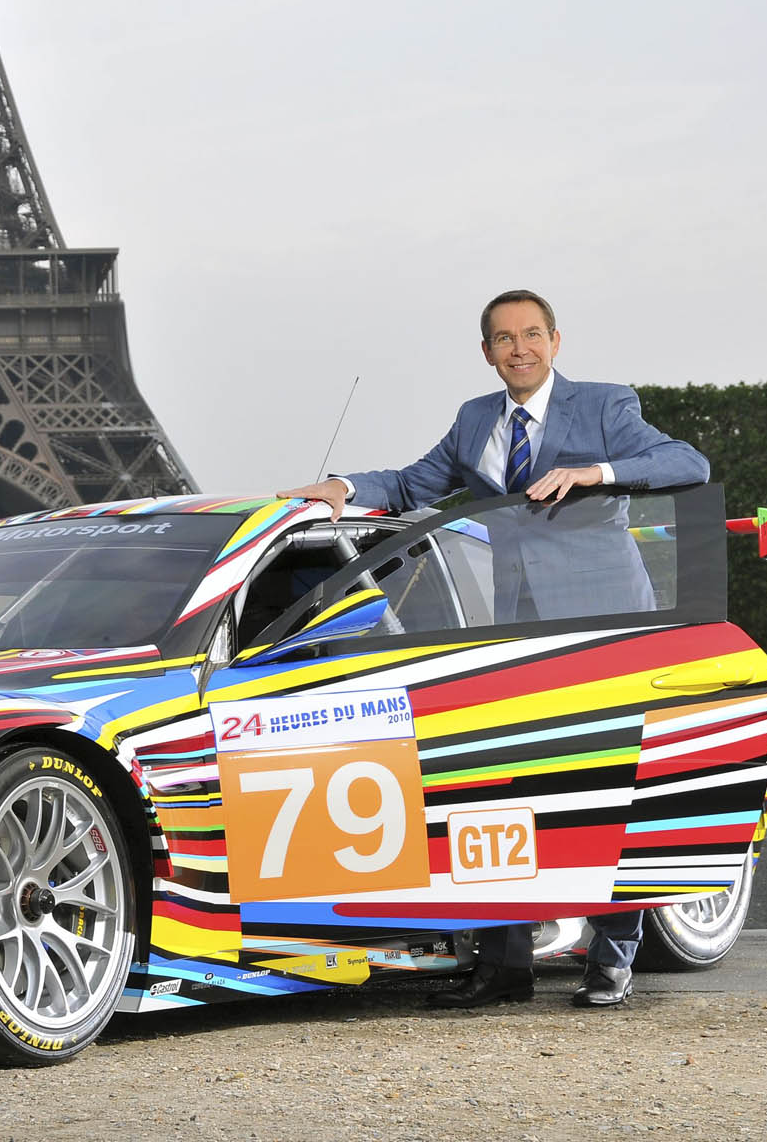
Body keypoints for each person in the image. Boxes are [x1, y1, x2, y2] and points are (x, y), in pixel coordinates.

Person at [277, 289, 709, 1009]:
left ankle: (613, 956)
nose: (520, 348)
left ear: (556, 342)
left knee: (605, 787)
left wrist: (595, 473)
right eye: (505, 338)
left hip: (600, 629)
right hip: (511, 634)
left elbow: (686, 462)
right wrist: (341, 487)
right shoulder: (476, 418)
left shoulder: (605, 405)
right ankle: (506, 965)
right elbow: (411, 484)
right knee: (507, 790)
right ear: (487, 352)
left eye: (532, 334)